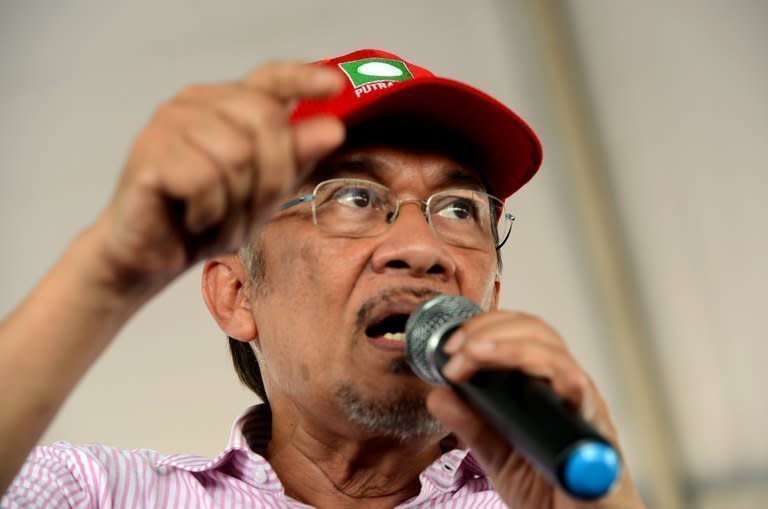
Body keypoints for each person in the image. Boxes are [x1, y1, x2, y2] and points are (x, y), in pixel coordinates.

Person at [0, 48, 645, 508]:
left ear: (492, 298)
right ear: (235, 293)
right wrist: (107, 275)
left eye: (458, 210)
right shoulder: (101, 495)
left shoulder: (561, 495)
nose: (423, 249)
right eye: (355, 198)